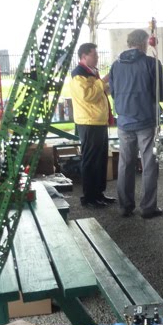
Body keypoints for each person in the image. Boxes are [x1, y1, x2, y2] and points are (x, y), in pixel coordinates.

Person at [109, 29, 163, 219]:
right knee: (149, 164)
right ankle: (148, 208)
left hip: (124, 121)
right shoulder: (151, 63)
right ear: (144, 43)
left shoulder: (115, 65)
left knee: (125, 164)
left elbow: (113, 92)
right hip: (145, 120)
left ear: (128, 43)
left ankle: (125, 206)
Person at [70, 43, 116, 209]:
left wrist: (108, 86)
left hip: (98, 121)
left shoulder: (92, 72)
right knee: (91, 160)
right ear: (84, 56)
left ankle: (99, 193)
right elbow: (87, 96)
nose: (97, 58)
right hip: (88, 122)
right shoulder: (79, 74)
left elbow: (99, 93)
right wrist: (103, 82)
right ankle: (89, 197)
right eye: (94, 55)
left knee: (100, 159)